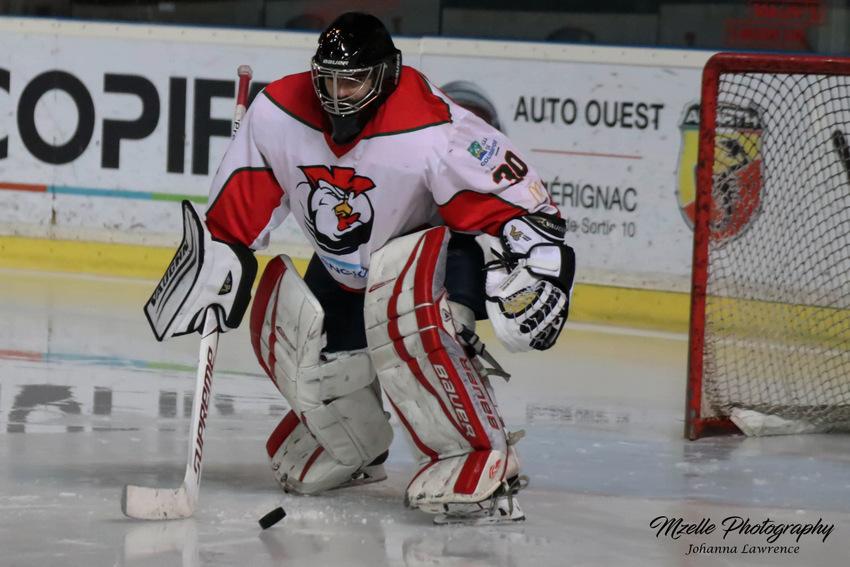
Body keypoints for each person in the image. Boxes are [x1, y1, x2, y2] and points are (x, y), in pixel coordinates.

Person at [145, 12, 575, 525]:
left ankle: (477, 452)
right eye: (327, 80)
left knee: (405, 318)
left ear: (387, 74)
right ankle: (353, 441)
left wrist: (541, 268)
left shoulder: (434, 127)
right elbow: (238, 209)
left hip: (423, 263)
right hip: (341, 269)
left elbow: (523, 206)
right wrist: (219, 255)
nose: (337, 94)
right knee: (290, 330)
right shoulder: (278, 112)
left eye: (352, 81)